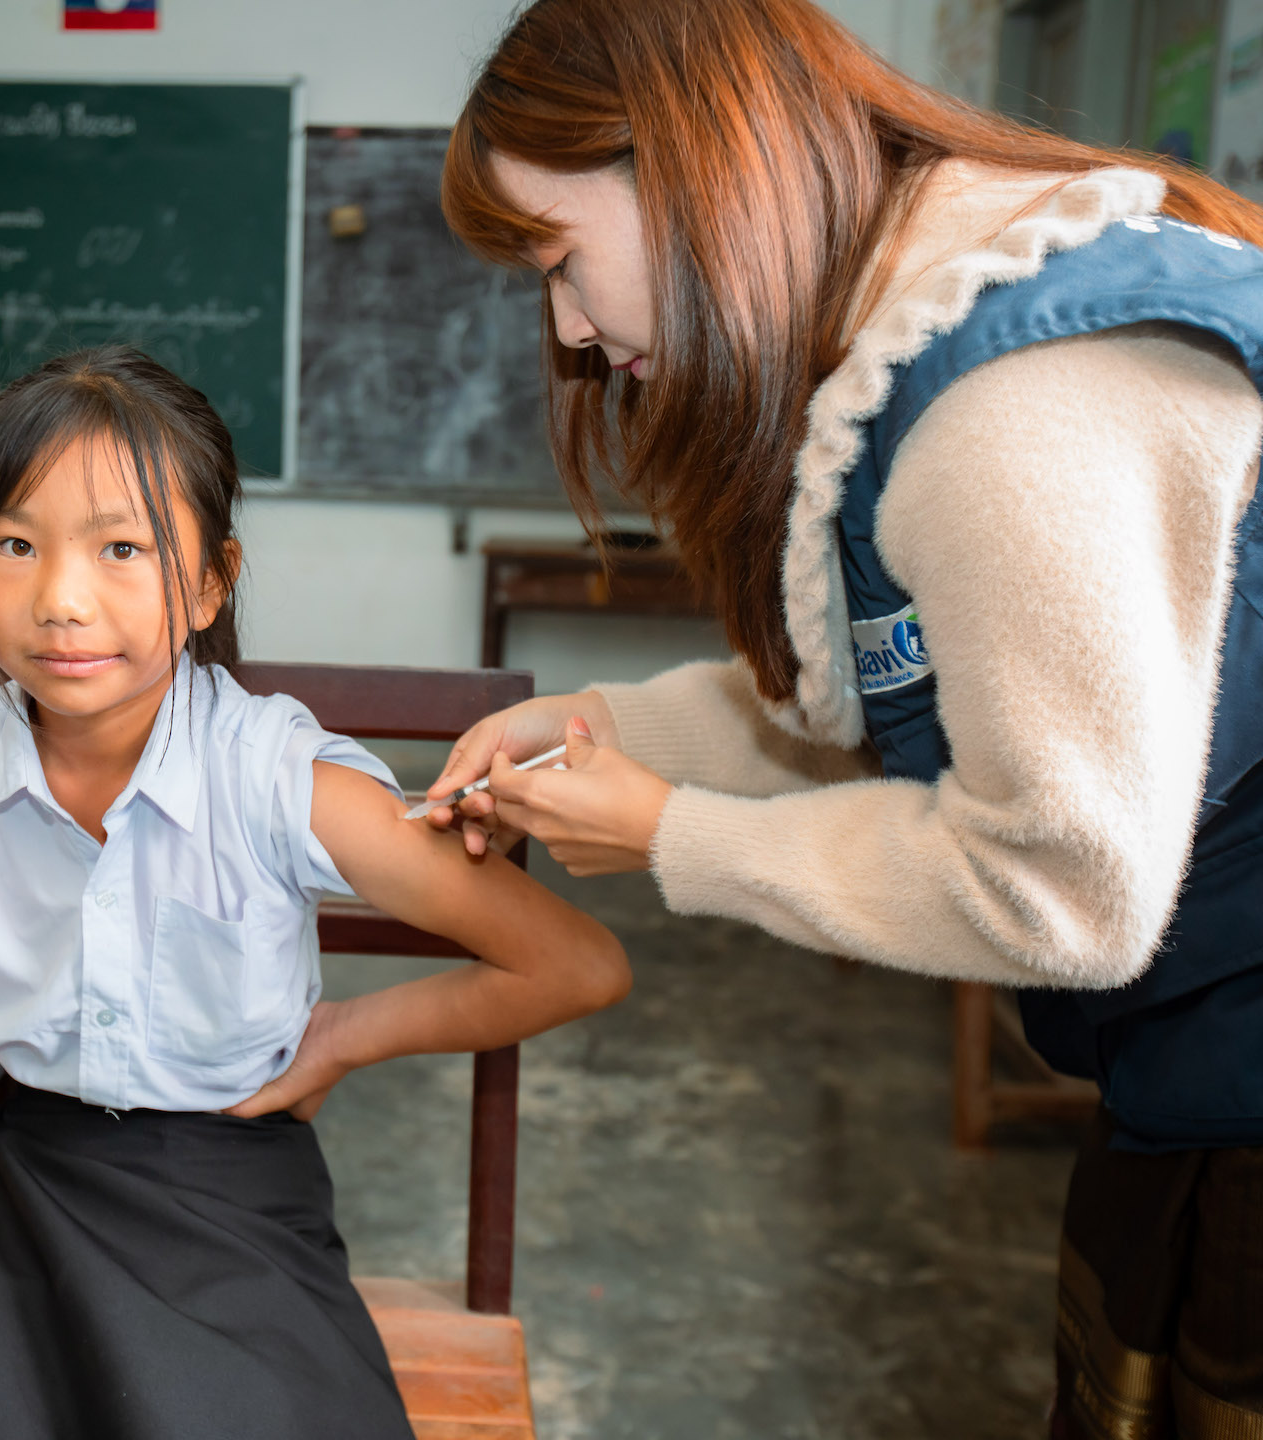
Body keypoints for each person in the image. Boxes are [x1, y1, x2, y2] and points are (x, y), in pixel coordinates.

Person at [429, 2, 1263, 1435]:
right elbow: (886, 684)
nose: (568, 328)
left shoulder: (1013, 405)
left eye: (561, 261)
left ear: (693, 172)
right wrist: (602, 725)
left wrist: (675, 837)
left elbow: (1061, 890)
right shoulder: (919, 330)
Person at [0, 345, 632, 1440]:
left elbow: (578, 964)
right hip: (36, 1195)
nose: (60, 600)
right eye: (14, 544)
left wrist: (340, 1039)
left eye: (121, 549)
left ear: (209, 582)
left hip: (237, 1204)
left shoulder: (281, 781)